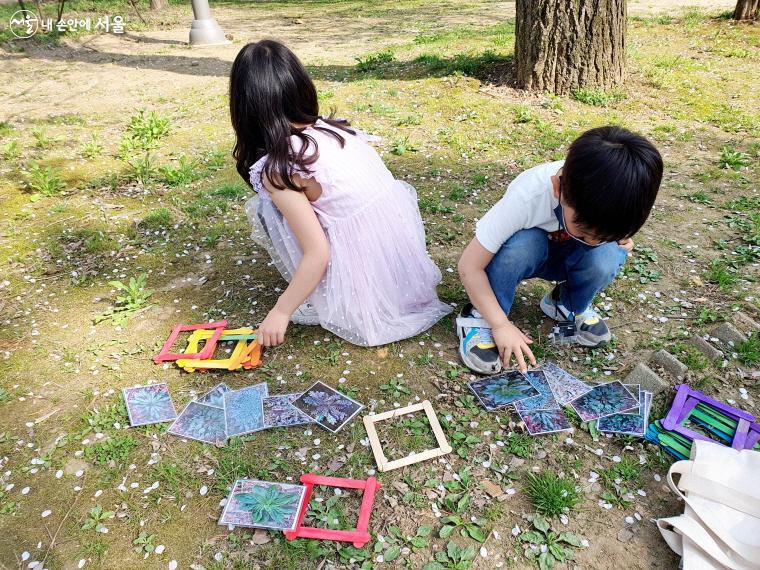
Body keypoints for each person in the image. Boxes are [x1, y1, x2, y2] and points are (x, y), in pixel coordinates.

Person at [229, 40, 451, 348]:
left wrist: (280, 312)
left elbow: (317, 253)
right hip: (399, 262)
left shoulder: (282, 166)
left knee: (266, 207)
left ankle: (324, 287)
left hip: (366, 275)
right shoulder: (333, 129)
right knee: (278, 203)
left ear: (246, 107)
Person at [457, 126, 663, 374]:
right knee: (524, 245)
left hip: (567, 255)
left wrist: (618, 238)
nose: (592, 241)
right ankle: (482, 316)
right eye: (584, 232)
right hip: (527, 253)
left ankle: (565, 304)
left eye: (603, 235)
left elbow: (609, 233)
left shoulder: (620, 200)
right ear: (558, 188)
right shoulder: (528, 196)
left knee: (609, 254)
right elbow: (470, 266)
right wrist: (501, 325)